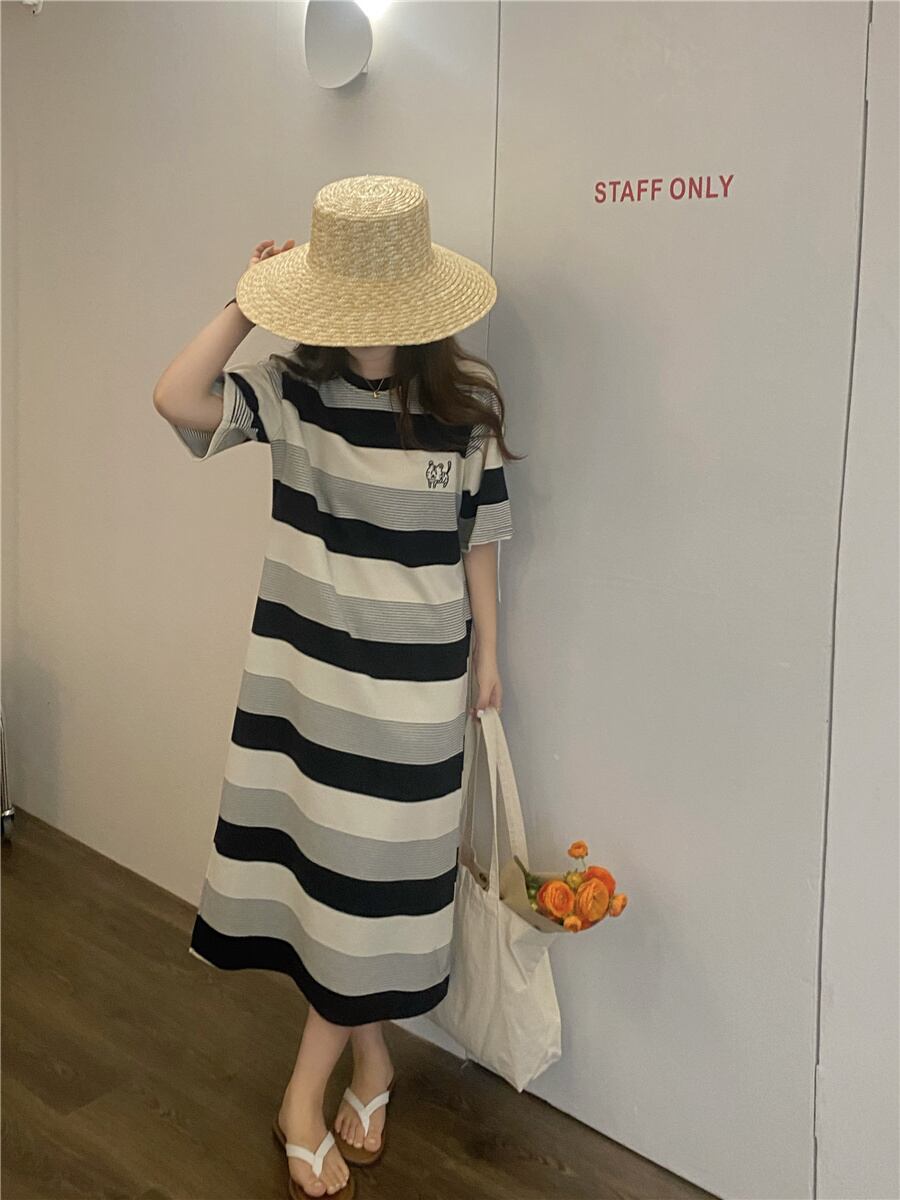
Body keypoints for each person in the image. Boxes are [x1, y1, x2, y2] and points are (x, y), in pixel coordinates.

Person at [152, 176, 521, 1199]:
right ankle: (369, 1062)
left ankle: (302, 1096)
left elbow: (480, 540)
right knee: (331, 896)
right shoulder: (291, 391)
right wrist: (243, 301)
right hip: (307, 692)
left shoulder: (465, 406)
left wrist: (490, 654)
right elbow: (176, 397)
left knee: (373, 899)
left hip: (416, 700)